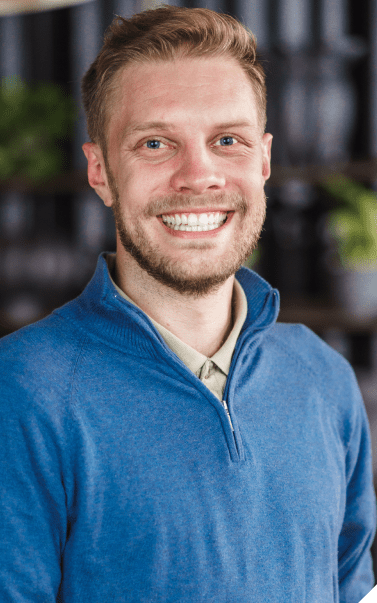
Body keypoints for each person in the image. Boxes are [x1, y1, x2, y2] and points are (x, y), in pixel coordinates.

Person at [0, 5, 375, 602]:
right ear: (99, 171)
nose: (198, 175)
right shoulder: (21, 391)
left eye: (228, 140)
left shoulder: (324, 379)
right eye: (155, 142)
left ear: (264, 160)